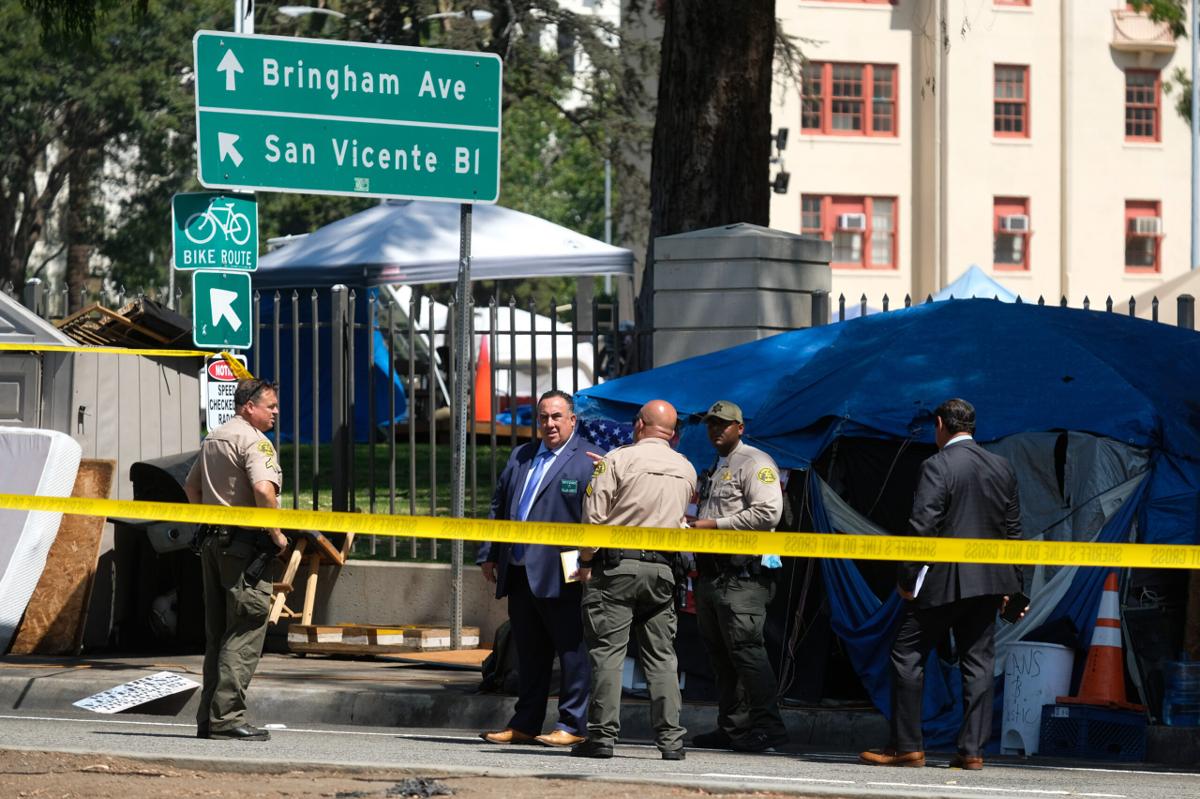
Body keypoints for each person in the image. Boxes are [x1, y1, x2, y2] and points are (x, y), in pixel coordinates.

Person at [860, 398, 1025, 770]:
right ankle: (972, 752)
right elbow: (1014, 531)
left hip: (943, 582)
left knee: (907, 655)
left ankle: (907, 746)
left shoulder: (937, 465)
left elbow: (923, 524)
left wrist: (906, 578)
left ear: (940, 424)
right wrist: (1015, 588)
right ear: (972, 426)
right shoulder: (1002, 466)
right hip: (990, 580)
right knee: (979, 663)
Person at [570, 399, 696, 761]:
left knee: (608, 655)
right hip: (663, 572)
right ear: (672, 432)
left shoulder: (617, 460)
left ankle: (602, 738)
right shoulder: (686, 469)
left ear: (639, 425)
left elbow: (593, 521)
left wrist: (586, 561)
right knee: (662, 658)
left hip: (616, 570)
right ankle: (672, 742)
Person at [477, 390, 595, 748]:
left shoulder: (590, 461)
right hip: (519, 569)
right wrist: (489, 552)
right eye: (543, 417)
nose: (549, 424)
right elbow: (500, 506)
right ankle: (525, 723)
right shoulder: (521, 456)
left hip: (567, 572)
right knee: (529, 654)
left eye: (557, 416)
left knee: (572, 653)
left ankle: (573, 724)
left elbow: (597, 518)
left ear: (572, 420)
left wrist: (588, 564)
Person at [184, 378, 287, 741]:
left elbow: (191, 488)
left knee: (218, 634)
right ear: (249, 407)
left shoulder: (214, 437)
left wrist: (209, 521)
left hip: (212, 543)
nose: (276, 412)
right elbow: (262, 489)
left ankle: (208, 719)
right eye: (270, 406)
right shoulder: (256, 441)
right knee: (245, 627)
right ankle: (226, 718)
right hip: (244, 549)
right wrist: (276, 534)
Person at [689, 400, 788, 753]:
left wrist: (714, 525)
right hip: (712, 576)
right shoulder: (716, 467)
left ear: (740, 428)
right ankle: (733, 727)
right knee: (721, 658)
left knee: (748, 654)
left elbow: (769, 512)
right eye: (712, 424)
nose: (716, 429)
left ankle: (768, 729)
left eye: (724, 424)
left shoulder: (755, 463)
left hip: (743, 578)